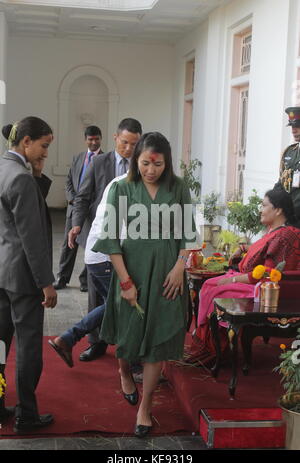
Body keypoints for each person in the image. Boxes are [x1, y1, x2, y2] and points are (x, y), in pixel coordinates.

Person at [92, 132, 198, 438]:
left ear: (167, 162)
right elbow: (111, 239)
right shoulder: (123, 188)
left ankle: (146, 407)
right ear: (136, 161)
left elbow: (188, 233)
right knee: (129, 331)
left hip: (168, 272)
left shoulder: (178, 188)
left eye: (158, 164)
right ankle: (125, 371)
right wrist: (125, 281)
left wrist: (180, 267)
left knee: (157, 341)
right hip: (132, 266)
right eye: (145, 163)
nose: (152, 170)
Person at [187, 189, 300, 365]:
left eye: (264, 205)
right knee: (209, 284)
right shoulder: (273, 231)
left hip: (262, 290)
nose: (260, 210)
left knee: (216, 289)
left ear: (278, 210)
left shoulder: (285, 235)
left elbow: (264, 274)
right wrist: (243, 248)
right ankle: (207, 342)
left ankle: (214, 348)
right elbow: (261, 251)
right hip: (250, 280)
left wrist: (231, 280)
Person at [68, 118, 142, 362]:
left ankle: (121, 348)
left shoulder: (143, 167)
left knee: (118, 297)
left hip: (128, 242)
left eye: (134, 143)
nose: (129, 148)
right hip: (100, 238)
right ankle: (96, 343)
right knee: (99, 297)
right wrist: (77, 224)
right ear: (115, 138)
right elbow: (83, 196)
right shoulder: (100, 162)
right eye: (124, 142)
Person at [0, 117, 57, 434]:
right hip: (22, 278)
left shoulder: (4, 168)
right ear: (26, 142)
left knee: (0, 343)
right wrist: (45, 283)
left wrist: (36, 173)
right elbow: (32, 237)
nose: (45, 154)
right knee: (29, 348)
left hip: (1, 270)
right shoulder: (20, 179)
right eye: (43, 146)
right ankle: (27, 414)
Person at [53, 125, 104, 292]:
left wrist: (89, 204)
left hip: (93, 212)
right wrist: (73, 200)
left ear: (101, 139)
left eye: (96, 139)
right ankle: (62, 278)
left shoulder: (105, 160)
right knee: (69, 245)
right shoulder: (78, 158)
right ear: (85, 140)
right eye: (90, 139)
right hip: (74, 209)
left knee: (90, 246)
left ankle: (84, 280)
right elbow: (69, 182)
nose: (94, 142)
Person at [274, 107, 300, 227]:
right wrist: (271, 201)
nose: (294, 131)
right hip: (289, 218)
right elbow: (282, 182)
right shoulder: (289, 152)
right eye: (292, 127)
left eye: (297, 126)